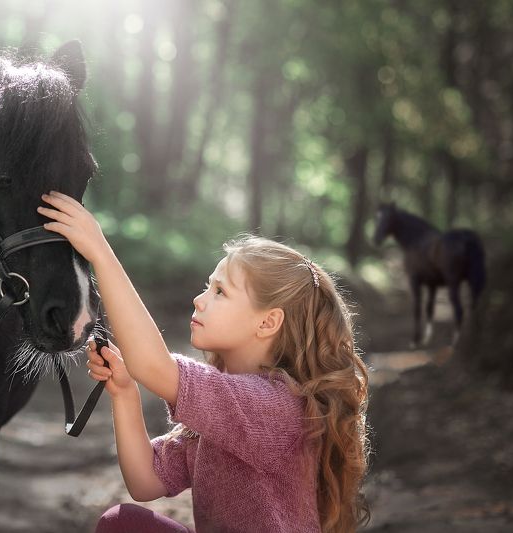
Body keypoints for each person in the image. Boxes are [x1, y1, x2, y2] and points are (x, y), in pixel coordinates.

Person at [37, 191, 370, 533]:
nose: (199, 300)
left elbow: (154, 365)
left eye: (220, 292)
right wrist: (125, 393)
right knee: (123, 524)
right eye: (207, 287)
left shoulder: (274, 406)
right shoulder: (227, 410)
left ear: (268, 322)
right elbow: (146, 480)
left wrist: (100, 253)